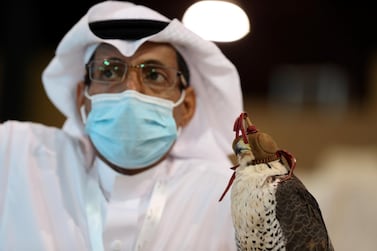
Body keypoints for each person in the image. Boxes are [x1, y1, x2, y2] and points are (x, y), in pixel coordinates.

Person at [0, 1, 243, 250]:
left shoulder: (228, 199)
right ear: (82, 98)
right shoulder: (16, 154)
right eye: (109, 72)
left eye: (154, 75)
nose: (130, 91)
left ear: (187, 107)